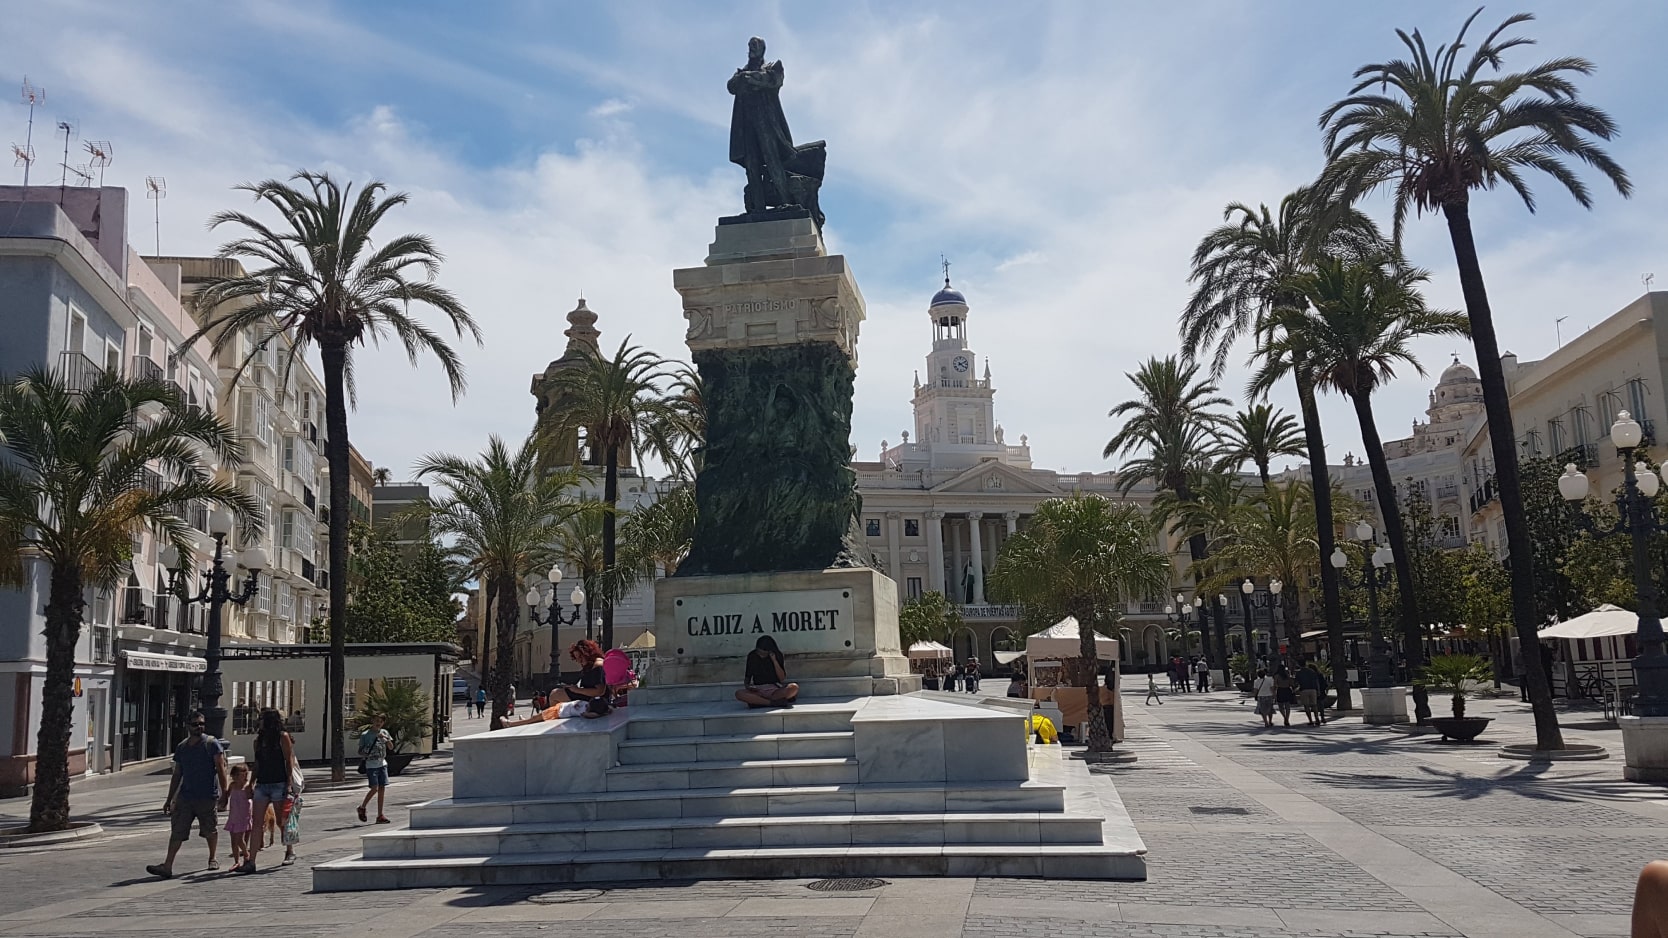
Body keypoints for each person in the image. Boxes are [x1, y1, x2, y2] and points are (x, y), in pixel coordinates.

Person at [146, 710, 228, 878]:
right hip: (186, 797)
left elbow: (221, 770)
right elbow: (177, 775)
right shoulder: (182, 747)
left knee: (210, 829)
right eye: (195, 724)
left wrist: (224, 794)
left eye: (201, 724)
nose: (199, 727)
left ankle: (212, 858)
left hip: (206, 796)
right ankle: (167, 865)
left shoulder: (212, 744)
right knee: (177, 831)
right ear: (187, 726)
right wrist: (169, 799)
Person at [243, 707, 297, 872]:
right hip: (262, 783)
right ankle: (251, 861)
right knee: (257, 822)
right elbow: (257, 763)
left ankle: (289, 851)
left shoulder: (283, 737)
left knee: (282, 821)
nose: (259, 722)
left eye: (261, 719)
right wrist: (251, 782)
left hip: (279, 782)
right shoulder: (258, 741)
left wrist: (289, 783)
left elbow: (289, 761)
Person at [736, 636, 799, 708]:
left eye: (763, 653)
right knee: (739, 694)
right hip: (759, 690)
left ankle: (759, 702)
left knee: (794, 687)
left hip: (774, 690)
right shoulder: (752, 656)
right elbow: (747, 677)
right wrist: (748, 686)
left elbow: (782, 678)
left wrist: (774, 661)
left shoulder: (777, 655)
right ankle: (771, 703)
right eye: (759, 652)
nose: (761, 655)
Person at [356, 715, 394, 825]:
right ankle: (362, 807)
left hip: (382, 764)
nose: (378, 723)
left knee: (382, 788)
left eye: (381, 721)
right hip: (371, 765)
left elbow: (391, 747)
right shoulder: (365, 735)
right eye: (376, 721)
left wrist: (386, 739)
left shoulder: (385, 732)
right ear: (372, 721)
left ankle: (380, 815)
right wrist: (368, 748)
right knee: (374, 788)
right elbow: (360, 751)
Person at [225, 764, 253, 870]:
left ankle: (246, 854)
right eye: (234, 775)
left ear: (245, 775)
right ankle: (236, 861)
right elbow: (227, 795)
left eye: (239, 775)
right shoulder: (232, 785)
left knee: (239, 839)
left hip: (243, 816)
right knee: (233, 840)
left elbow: (252, 799)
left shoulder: (247, 786)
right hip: (233, 815)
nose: (236, 777)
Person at [1296, 662, 1324, 726]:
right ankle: (1317, 718)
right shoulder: (1312, 671)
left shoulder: (1299, 673)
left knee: (1306, 706)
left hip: (1304, 690)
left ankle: (1310, 720)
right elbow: (1316, 681)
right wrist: (1318, 690)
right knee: (1314, 705)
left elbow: (1296, 682)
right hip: (1313, 689)